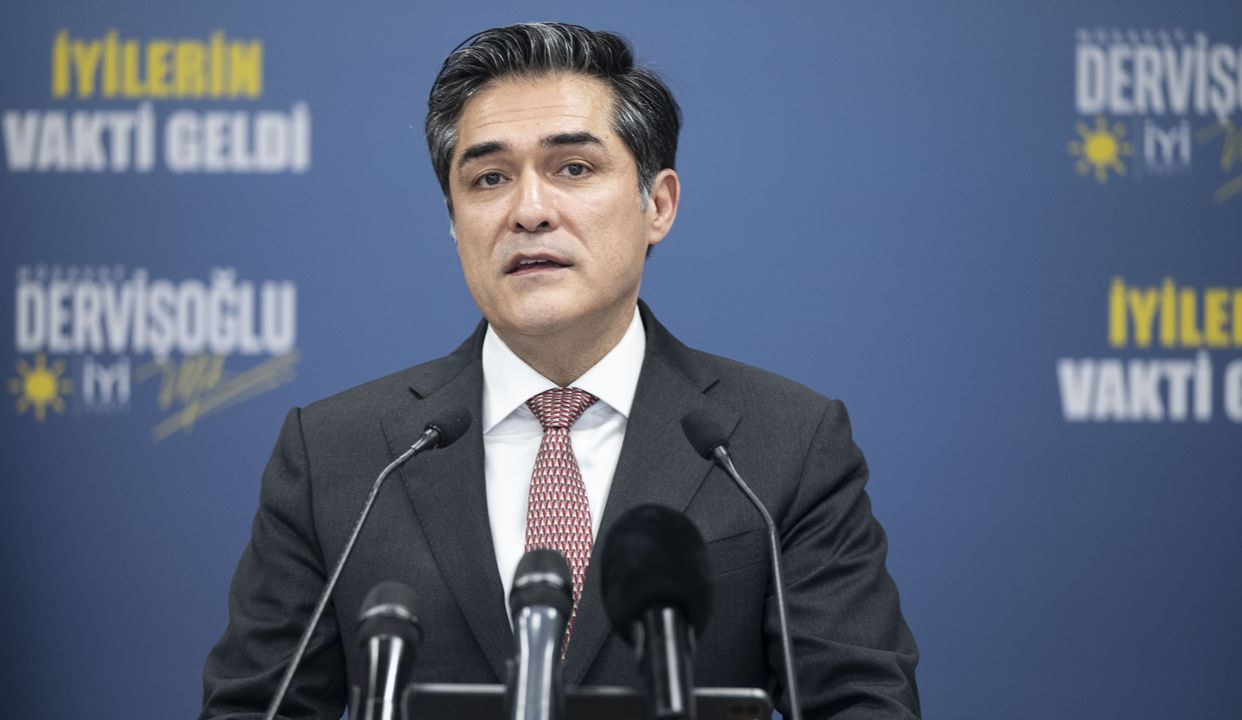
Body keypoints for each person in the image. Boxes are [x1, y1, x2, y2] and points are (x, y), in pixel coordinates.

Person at [201, 22, 920, 719]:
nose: (529, 211)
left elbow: (863, 704)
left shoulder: (781, 446)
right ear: (453, 219)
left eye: (573, 168)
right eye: (489, 178)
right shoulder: (342, 456)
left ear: (658, 204)